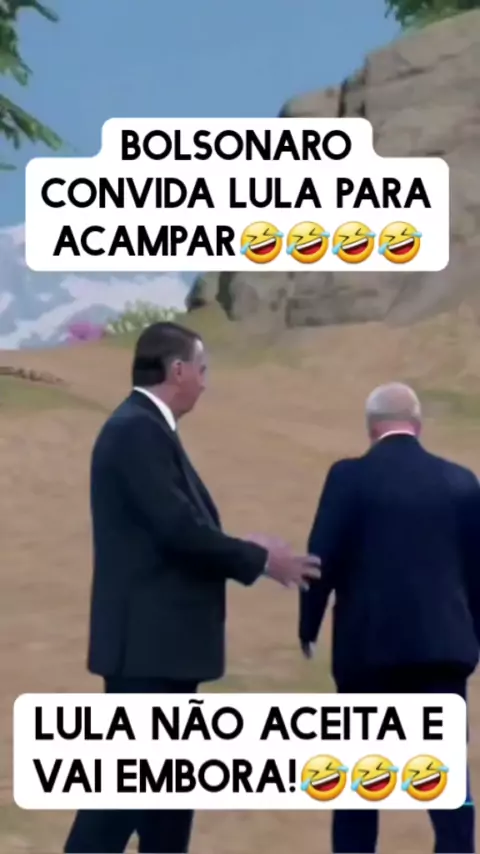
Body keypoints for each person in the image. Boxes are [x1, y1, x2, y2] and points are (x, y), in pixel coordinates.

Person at [64, 321, 320, 854]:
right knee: (117, 805)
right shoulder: (136, 431)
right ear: (177, 371)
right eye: (202, 370)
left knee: (167, 809)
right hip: (148, 655)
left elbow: (180, 527)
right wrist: (261, 560)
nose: (205, 383)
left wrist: (241, 546)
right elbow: (177, 530)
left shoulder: (146, 430)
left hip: (163, 654)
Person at [299, 382, 480, 854]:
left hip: (368, 655)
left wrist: (308, 626)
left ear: (370, 428)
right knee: (446, 785)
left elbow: (321, 559)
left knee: (360, 786)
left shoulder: (348, 478)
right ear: (418, 425)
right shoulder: (462, 482)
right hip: (441, 654)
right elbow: (477, 573)